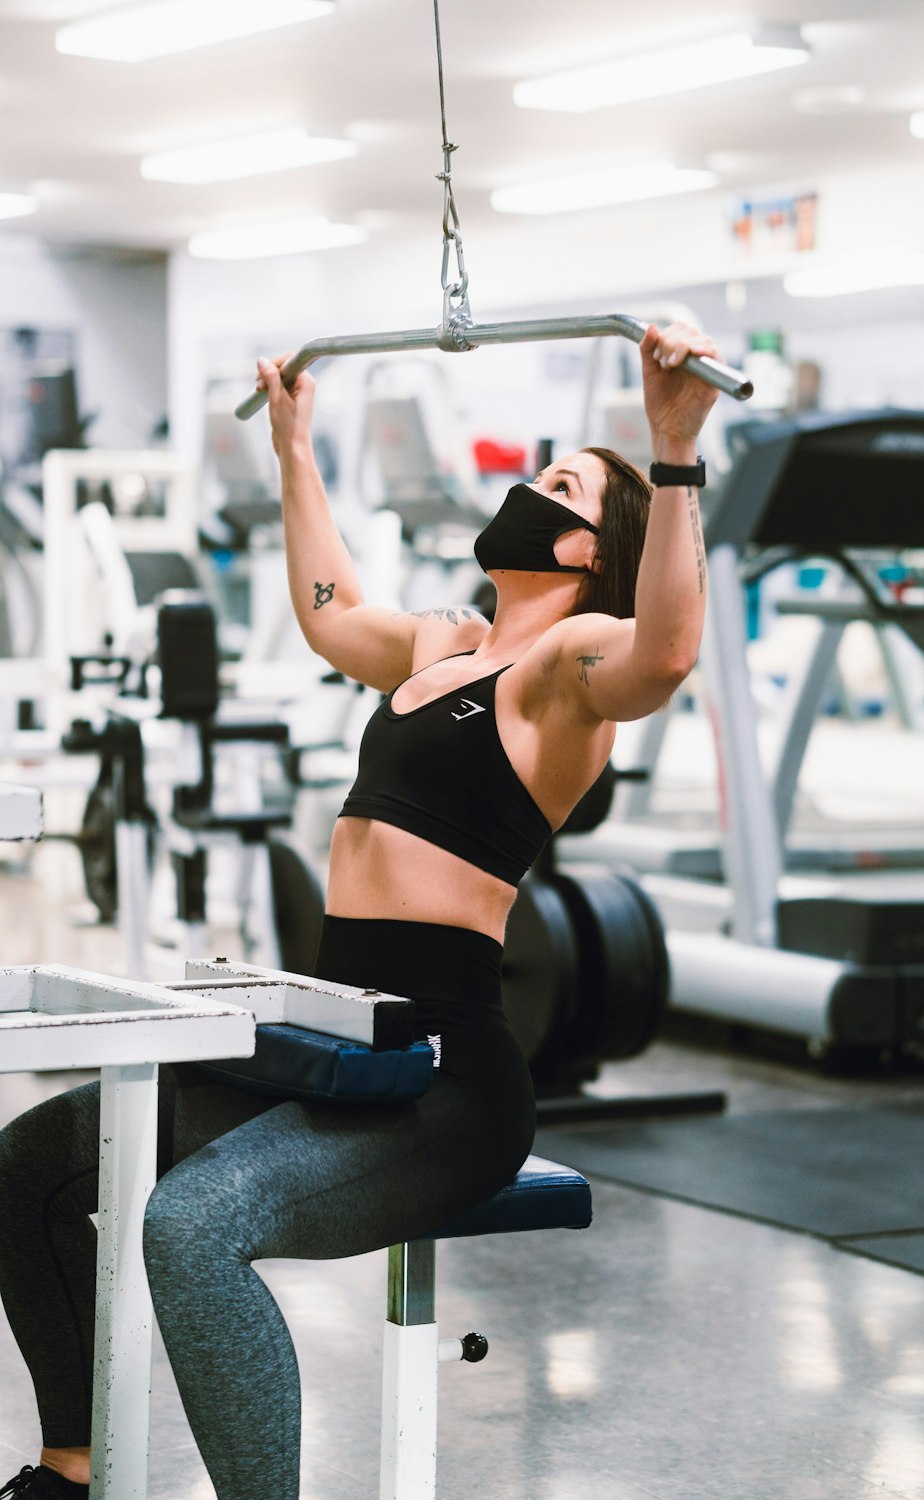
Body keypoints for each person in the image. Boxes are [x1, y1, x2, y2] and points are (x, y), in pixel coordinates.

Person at [0, 320, 720, 1500]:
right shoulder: (445, 642)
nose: (524, 491)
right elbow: (331, 610)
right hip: (334, 1034)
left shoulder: (563, 668)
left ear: (593, 550)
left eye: (557, 485)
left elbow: (667, 655)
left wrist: (673, 447)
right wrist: (295, 449)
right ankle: (69, 1471)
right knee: (28, 1167)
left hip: (445, 1077)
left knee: (190, 1227)